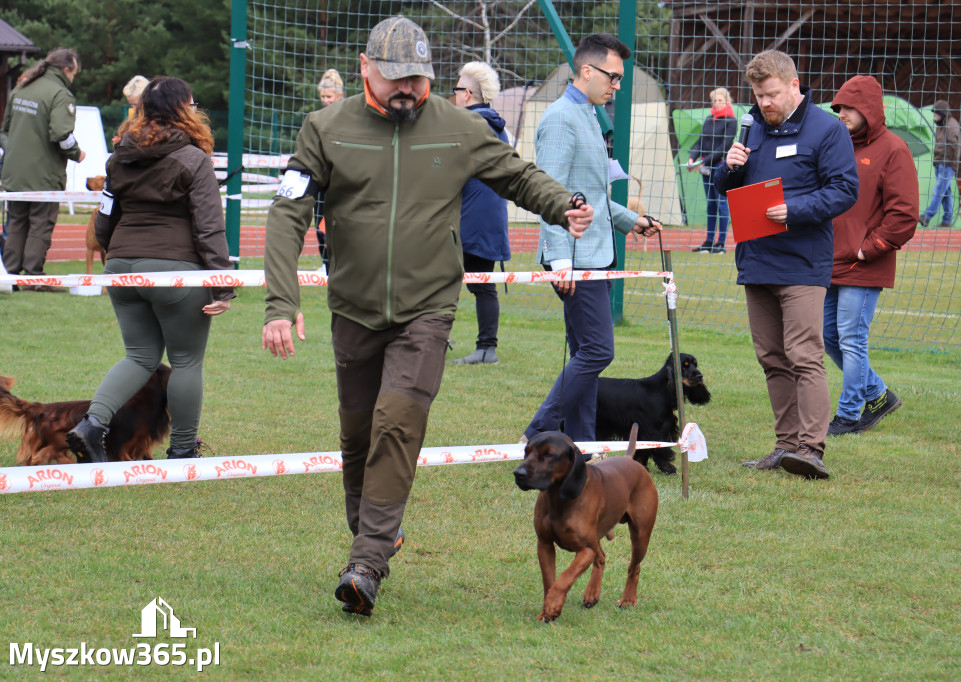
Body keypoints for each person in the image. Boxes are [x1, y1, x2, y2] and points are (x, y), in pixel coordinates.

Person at [260, 16, 595, 617]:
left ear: (431, 75)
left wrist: (561, 203)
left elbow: (514, 174)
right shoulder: (324, 128)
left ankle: (366, 564)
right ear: (366, 69)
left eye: (417, 78)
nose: (406, 90)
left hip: (428, 309)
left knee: (396, 424)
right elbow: (287, 214)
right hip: (354, 309)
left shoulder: (457, 127)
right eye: (394, 80)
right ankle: (378, 532)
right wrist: (281, 304)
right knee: (359, 437)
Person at [66, 76, 234, 463]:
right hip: (177, 271)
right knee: (187, 361)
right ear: (184, 110)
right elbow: (210, 228)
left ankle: (92, 425)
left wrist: (121, 261)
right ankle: (183, 449)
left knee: (139, 356)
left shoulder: (117, 157)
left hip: (122, 268)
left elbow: (105, 221)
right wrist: (223, 286)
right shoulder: (195, 159)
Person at [713, 50, 858, 480]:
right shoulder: (752, 129)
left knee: (804, 355)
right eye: (758, 96)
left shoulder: (827, 130)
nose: (764, 104)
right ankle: (784, 445)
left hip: (801, 263)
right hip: (756, 261)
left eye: (771, 94)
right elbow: (725, 188)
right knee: (772, 357)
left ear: (794, 86)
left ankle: (811, 449)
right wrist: (728, 167)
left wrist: (793, 209)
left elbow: (844, 190)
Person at [522, 33, 662, 445]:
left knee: (586, 354)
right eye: (613, 77)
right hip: (574, 257)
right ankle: (539, 431)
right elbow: (552, 193)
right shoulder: (561, 119)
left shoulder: (587, 113)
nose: (616, 86)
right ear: (587, 70)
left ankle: (582, 444)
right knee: (599, 351)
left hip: (596, 252)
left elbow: (593, 194)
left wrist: (629, 220)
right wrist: (560, 259)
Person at [825, 76, 917, 436]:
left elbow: (905, 213)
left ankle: (849, 413)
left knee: (850, 337)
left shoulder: (894, 149)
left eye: (849, 107)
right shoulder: (837, 144)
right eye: (839, 108)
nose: (842, 114)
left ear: (869, 110)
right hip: (830, 258)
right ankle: (879, 394)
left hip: (863, 263)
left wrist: (870, 248)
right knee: (826, 335)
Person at [0, 48, 86, 289]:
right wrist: (76, 153)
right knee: (40, 224)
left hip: (14, 174)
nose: (73, 78)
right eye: (74, 74)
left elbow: (4, 131)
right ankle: (33, 278)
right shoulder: (60, 94)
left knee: (16, 223)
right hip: (44, 175)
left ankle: (10, 277)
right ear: (67, 70)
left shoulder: (22, 88)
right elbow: (61, 134)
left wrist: (14, 151)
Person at [451, 61, 510, 365]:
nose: (454, 94)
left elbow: (447, 167)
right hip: (489, 217)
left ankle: (434, 338)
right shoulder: (498, 126)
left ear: (468, 93)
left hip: (468, 218)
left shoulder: (470, 124)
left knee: (438, 277)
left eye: (456, 88)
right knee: (483, 285)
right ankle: (487, 348)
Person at [688, 87, 737, 254]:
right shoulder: (709, 119)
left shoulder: (731, 121)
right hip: (705, 166)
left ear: (727, 102)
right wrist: (692, 159)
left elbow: (724, 147)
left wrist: (703, 161)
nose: (717, 104)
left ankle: (721, 244)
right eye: (714, 101)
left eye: (720, 101)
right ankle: (709, 241)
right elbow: (700, 142)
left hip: (720, 167)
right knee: (711, 204)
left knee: (722, 204)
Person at [313, 69, 346, 273]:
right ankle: (327, 269)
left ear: (339, 96)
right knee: (321, 229)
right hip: (322, 186)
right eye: (323, 97)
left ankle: (342, 268)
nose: (325, 100)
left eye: (329, 97)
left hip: (341, 185)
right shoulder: (317, 119)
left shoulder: (348, 118)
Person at [919, 100, 961, 228]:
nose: (934, 116)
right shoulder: (942, 125)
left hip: (946, 164)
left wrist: (950, 163)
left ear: (942, 113)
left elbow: (954, 145)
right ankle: (947, 220)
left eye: (936, 113)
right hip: (940, 163)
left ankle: (927, 216)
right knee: (946, 193)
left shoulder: (951, 125)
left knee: (938, 191)